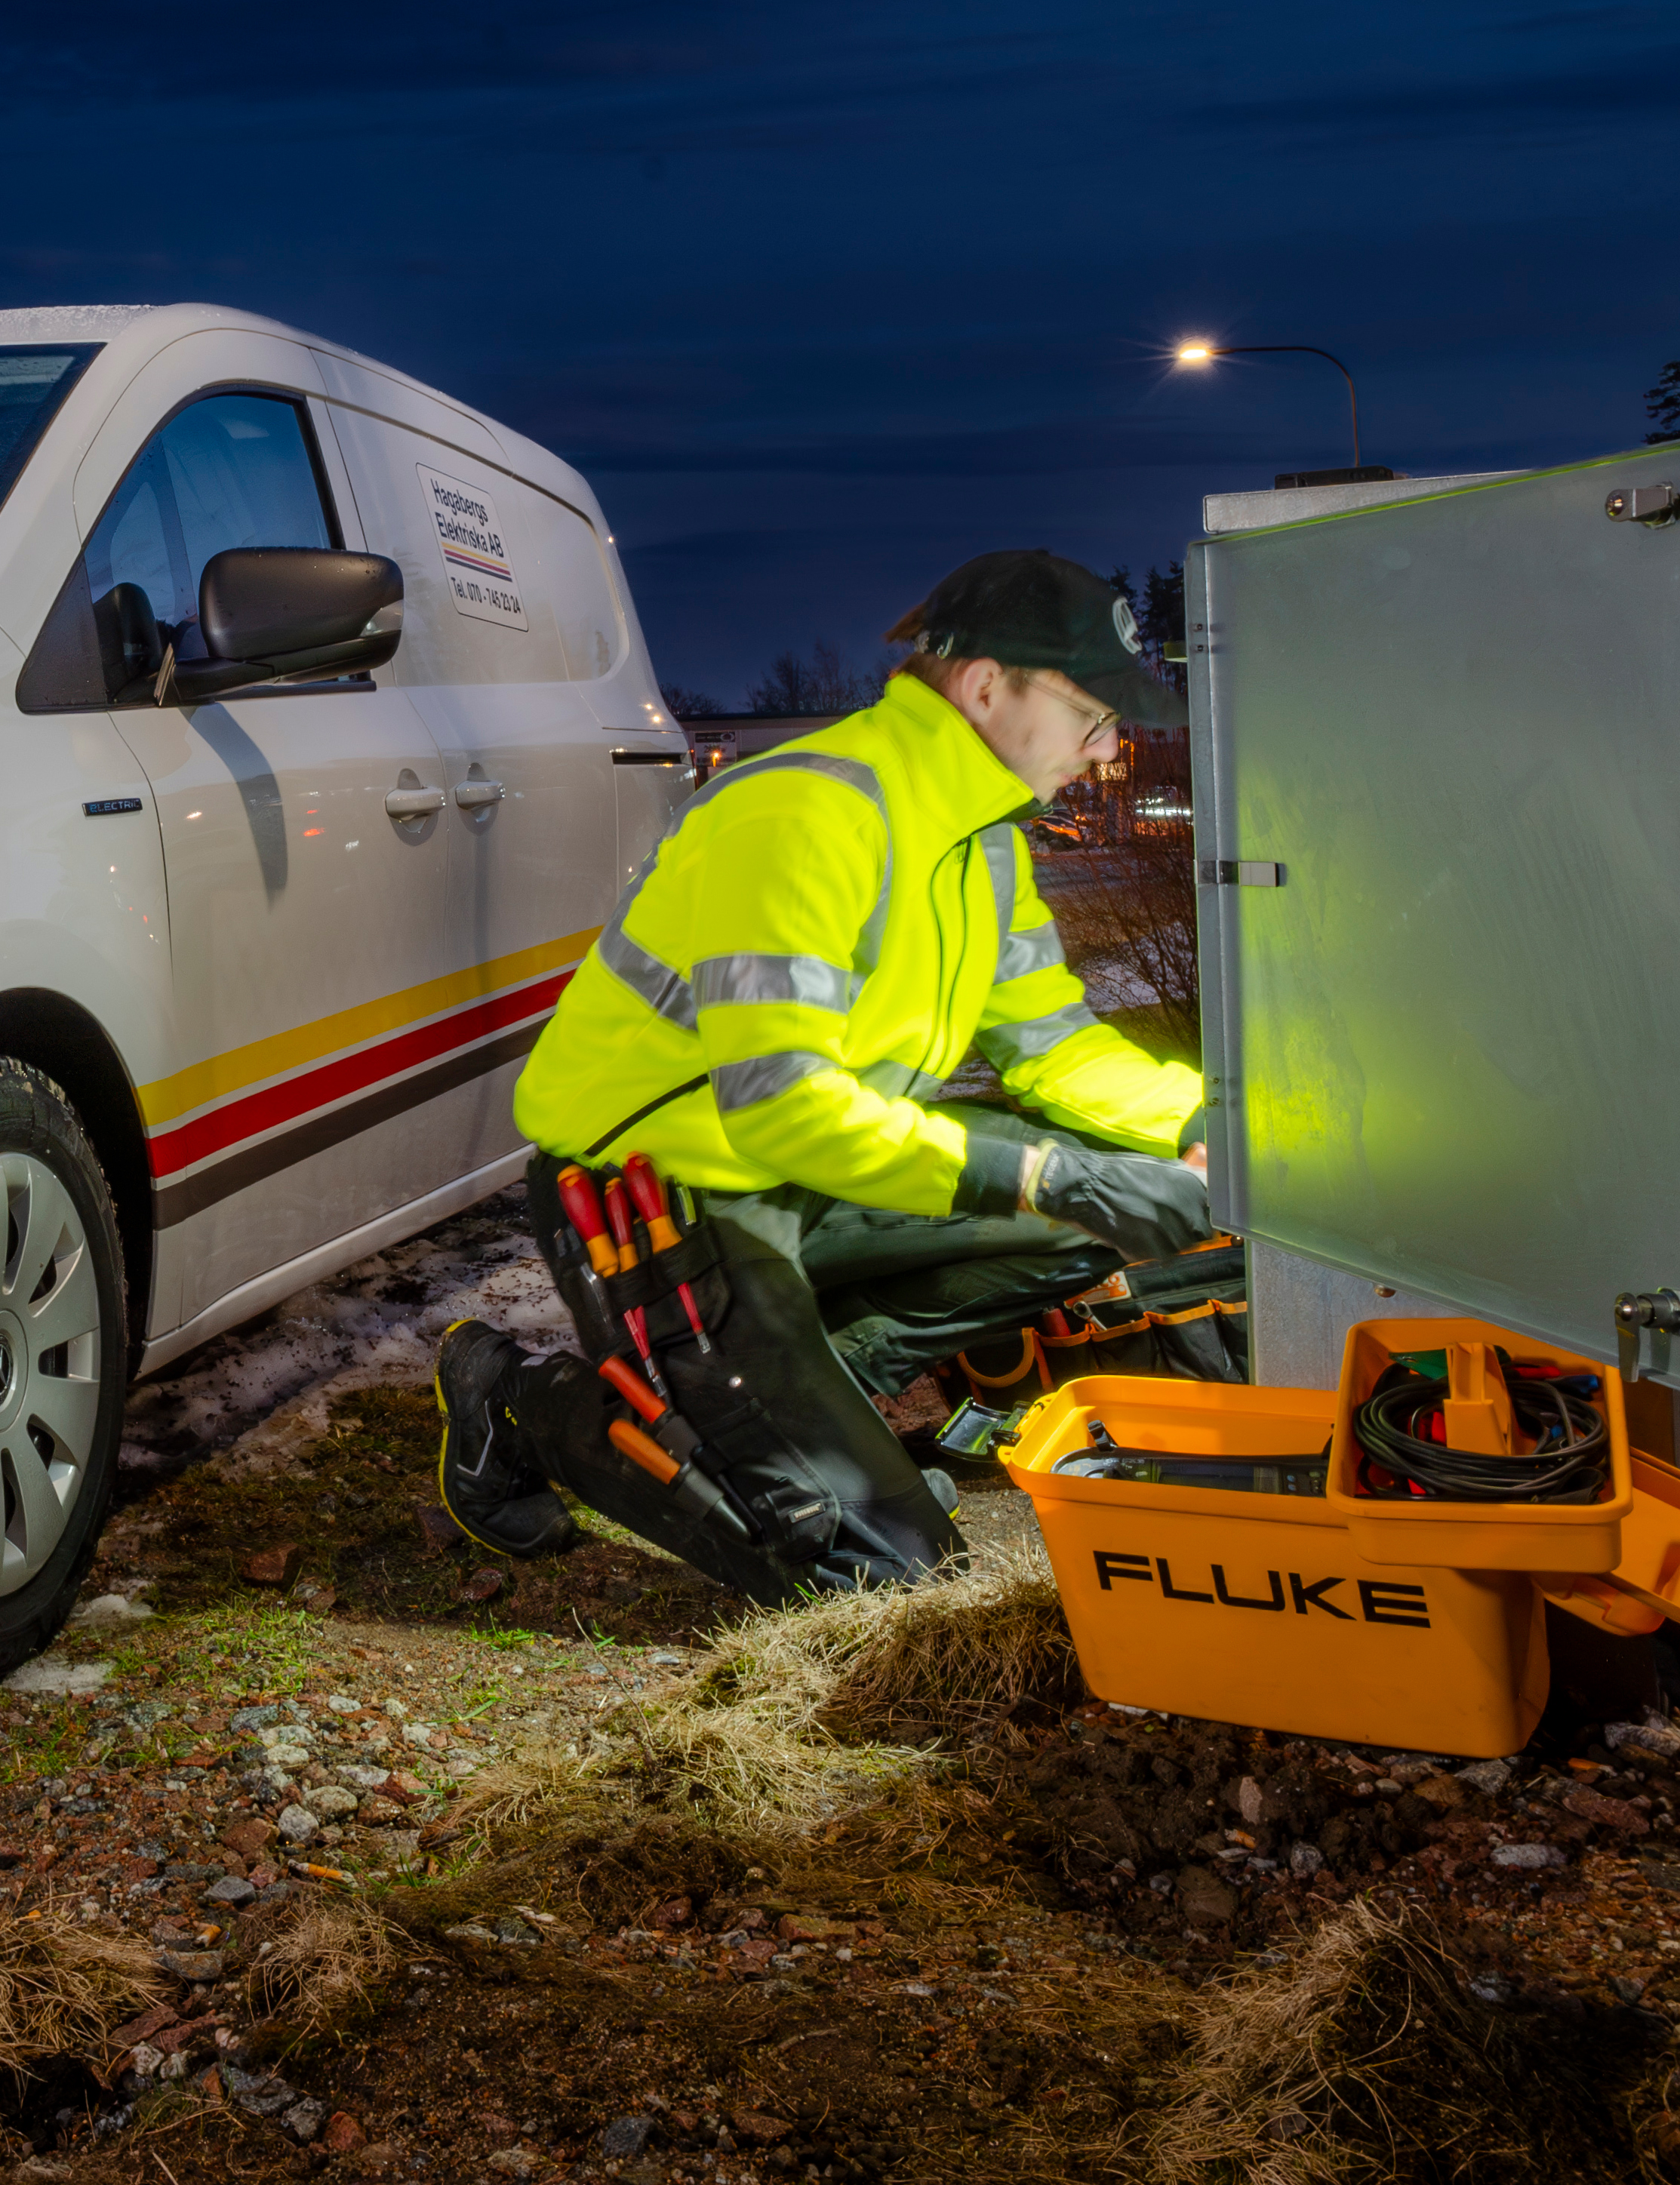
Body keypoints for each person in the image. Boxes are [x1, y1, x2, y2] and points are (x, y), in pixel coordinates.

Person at [435, 549, 1218, 1599]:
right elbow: (780, 1103)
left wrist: (1207, 1124)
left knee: (1109, 1203)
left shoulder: (981, 847)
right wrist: (1041, 1175)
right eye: (1090, 711)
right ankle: (519, 1403)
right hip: (664, 1195)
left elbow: (1058, 1048)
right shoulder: (806, 814)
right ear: (987, 686)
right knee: (880, 1579)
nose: (1109, 744)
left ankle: (789, 1395)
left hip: (813, 1181)